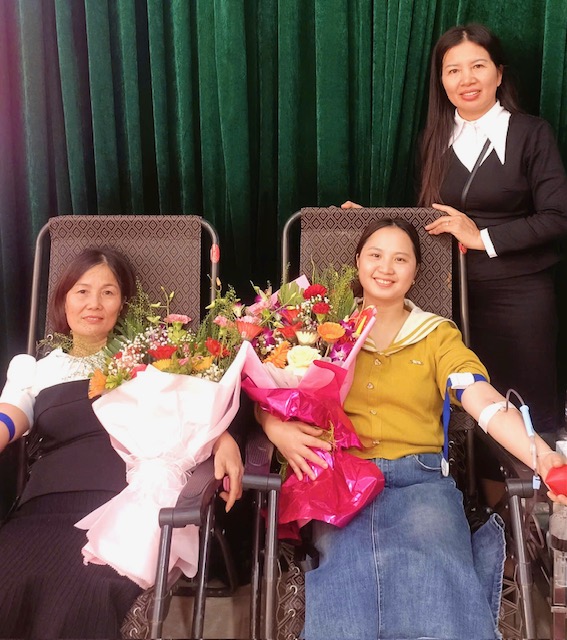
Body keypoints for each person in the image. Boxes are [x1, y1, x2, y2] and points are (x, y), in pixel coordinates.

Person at [257, 219, 567, 640]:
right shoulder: (322, 331)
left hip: (421, 481)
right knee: (347, 571)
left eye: (400, 259)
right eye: (375, 255)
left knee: (436, 564)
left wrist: (540, 454)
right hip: (342, 483)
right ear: (358, 263)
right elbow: (267, 393)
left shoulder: (436, 335)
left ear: (415, 272)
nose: (386, 268)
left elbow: (479, 396)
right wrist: (275, 427)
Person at [0, 247, 244, 639]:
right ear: (63, 299)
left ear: (123, 304)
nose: (94, 304)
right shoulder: (36, 371)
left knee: (82, 594)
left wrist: (223, 440)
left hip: (125, 507)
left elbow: (193, 413)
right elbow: (9, 418)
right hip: (42, 508)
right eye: (82, 291)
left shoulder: (150, 363)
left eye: (108, 292)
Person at [418, 23, 567, 440]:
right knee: (467, 413)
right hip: (450, 297)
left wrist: (481, 238)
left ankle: (542, 478)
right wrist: (370, 220)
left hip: (519, 296)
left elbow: (558, 216)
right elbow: (428, 217)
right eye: (453, 70)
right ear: (441, 81)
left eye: (478, 66)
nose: (466, 79)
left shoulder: (532, 133)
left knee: (530, 415)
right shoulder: (432, 139)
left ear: (499, 74)